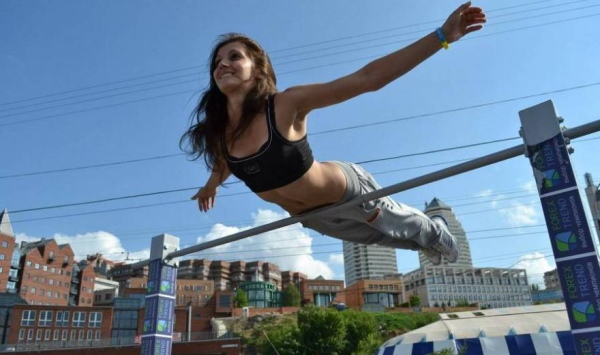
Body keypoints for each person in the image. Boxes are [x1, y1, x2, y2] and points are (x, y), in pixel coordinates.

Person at [180, 2, 486, 265]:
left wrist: (442, 36)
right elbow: (224, 161)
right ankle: (429, 239)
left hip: (349, 193)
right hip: (313, 216)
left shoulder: (285, 104)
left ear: (258, 68)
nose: (222, 65)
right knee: (385, 240)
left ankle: (436, 227)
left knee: (401, 226)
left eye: (234, 57)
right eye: (218, 63)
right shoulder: (220, 132)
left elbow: (367, 79)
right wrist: (211, 186)